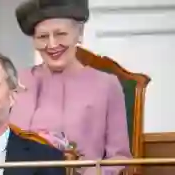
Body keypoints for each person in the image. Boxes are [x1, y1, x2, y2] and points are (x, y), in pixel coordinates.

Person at [10, 0, 132, 174]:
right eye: (43, 37)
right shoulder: (16, 81)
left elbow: (120, 157)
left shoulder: (107, 85)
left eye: (61, 34)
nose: (52, 45)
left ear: (79, 33)